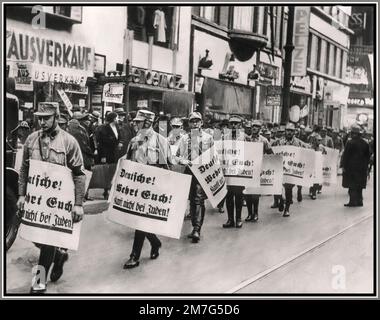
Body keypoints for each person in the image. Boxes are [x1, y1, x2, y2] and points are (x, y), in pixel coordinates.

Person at [16, 102, 85, 294]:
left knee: (46, 240)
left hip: (59, 201)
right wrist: (21, 194)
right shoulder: (31, 139)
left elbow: (79, 173)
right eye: (40, 117)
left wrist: (78, 204)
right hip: (37, 200)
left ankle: (39, 284)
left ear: (56, 117)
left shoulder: (69, 141)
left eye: (46, 118)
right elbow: (24, 169)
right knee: (37, 238)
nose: (42, 121)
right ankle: (59, 255)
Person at [123, 110, 172, 269]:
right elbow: (128, 162)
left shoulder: (161, 141)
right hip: (136, 187)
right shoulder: (133, 141)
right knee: (138, 220)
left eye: (138, 122)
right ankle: (155, 242)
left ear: (147, 123)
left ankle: (134, 256)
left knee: (141, 221)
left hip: (153, 188)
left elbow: (166, 167)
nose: (135, 124)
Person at [175, 112, 214, 242]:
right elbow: (177, 155)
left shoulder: (208, 138)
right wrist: (183, 161)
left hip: (202, 171)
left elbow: (214, 156)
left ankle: (197, 229)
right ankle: (194, 226)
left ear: (201, 123)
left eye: (197, 121)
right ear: (189, 124)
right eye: (192, 121)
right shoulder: (184, 139)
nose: (195, 123)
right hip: (189, 170)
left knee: (198, 199)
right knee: (191, 199)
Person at [272, 123, 309, 217]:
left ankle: (287, 208)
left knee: (288, 189)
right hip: (280, 168)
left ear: (294, 132)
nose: (289, 132)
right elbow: (272, 150)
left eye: (291, 131)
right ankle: (280, 200)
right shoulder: (278, 142)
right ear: (285, 131)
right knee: (277, 187)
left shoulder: (299, 143)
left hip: (291, 170)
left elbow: (307, 151)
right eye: (288, 130)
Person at [244, 120, 273, 222]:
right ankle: (249, 213)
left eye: (256, 127)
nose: (254, 128)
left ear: (260, 129)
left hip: (258, 169)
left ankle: (255, 213)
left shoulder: (264, 140)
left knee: (255, 193)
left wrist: (265, 164)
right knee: (247, 193)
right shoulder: (246, 139)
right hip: (247, 169)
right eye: (253, 127)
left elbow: (271, 154)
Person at [222, 116, 247, 228]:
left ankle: (238, 219)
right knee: (228, 195)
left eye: (236, 124)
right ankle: (230, 219)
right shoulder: (224, 137)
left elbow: (249, 153)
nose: (233, 125)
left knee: (238, 195)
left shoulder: (244, 137)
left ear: (240, 125)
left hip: (239, 170)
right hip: (227, 170)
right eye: (231, 123)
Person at [341, 124, 370, 207]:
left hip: (351, 168)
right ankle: (360, 201)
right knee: (359, 186)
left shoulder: (350, 142)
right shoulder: (365, 143)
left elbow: (346, 156)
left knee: (352, 185)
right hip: (362, 168)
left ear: (353, 133)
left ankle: (352, 202)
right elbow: (368, 156)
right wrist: (366, 166)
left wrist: (344, 166)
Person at [97, 112, 122, 199]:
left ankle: (111, 189)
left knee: (113, 171)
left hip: (114, 153)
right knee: (106, 173)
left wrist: (119, 143)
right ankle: (106, 190)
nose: (118, 120)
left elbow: (119, 138)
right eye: (116, 118)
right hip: (106, 153)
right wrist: (103, 156)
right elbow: (102, 143)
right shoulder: (104, 128)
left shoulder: (117, 127)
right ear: (113, 119)